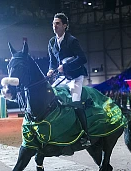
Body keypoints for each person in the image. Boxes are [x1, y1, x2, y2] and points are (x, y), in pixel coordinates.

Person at [47, 13, 90, 146]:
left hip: (76, 76)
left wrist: (65, 66)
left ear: (65, 26)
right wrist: (50, 69)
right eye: (54, 23)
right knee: (50, 95)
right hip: (63, 76)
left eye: (58, 23)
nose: (54, 26)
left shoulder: (72, 40)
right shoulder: (52, 42)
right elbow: (52, 61)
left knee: (75, 100)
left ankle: (85, 135)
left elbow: (83, 59)